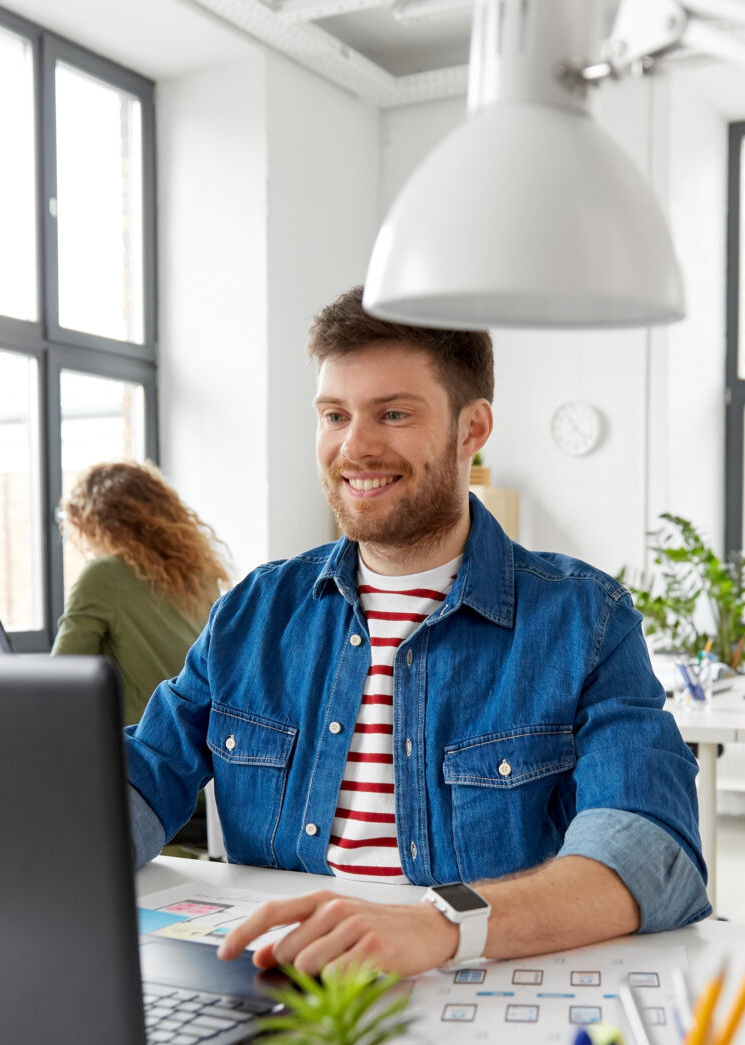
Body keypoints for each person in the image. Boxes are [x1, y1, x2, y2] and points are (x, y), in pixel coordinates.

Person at [123, 287, 709, 979]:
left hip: (479, 977)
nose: (354, 446)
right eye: (334, 415)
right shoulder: (254, 611)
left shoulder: (584, 619)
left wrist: (441, 925)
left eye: (394, 414)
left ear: (472, 429)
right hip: (278, 982)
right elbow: (142, 777)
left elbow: (650, 850)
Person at [53, 460, 230, 728]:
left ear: (94, 525)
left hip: (138, 743)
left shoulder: (104, 575)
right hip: (196, 742)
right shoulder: (201, 576)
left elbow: (59, 677)